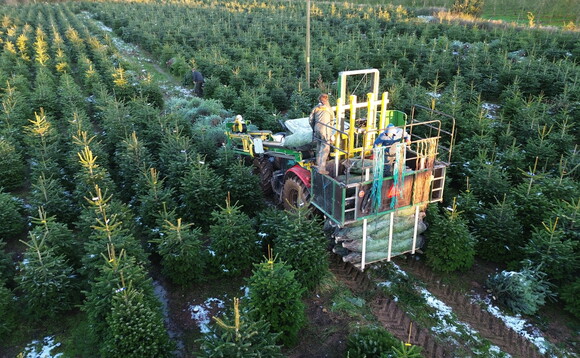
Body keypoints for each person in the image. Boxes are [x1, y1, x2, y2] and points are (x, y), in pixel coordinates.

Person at [310, 93, 335, 175]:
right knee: (325, 148)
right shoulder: (329, 108)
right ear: (326, 99)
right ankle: (321, 168)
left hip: (317, 128)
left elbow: (310, 119)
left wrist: (314, 127)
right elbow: (332, 120)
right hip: (325, 129)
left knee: (319, 145)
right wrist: (330, 131)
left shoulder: (316, 108)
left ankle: (318, 164)